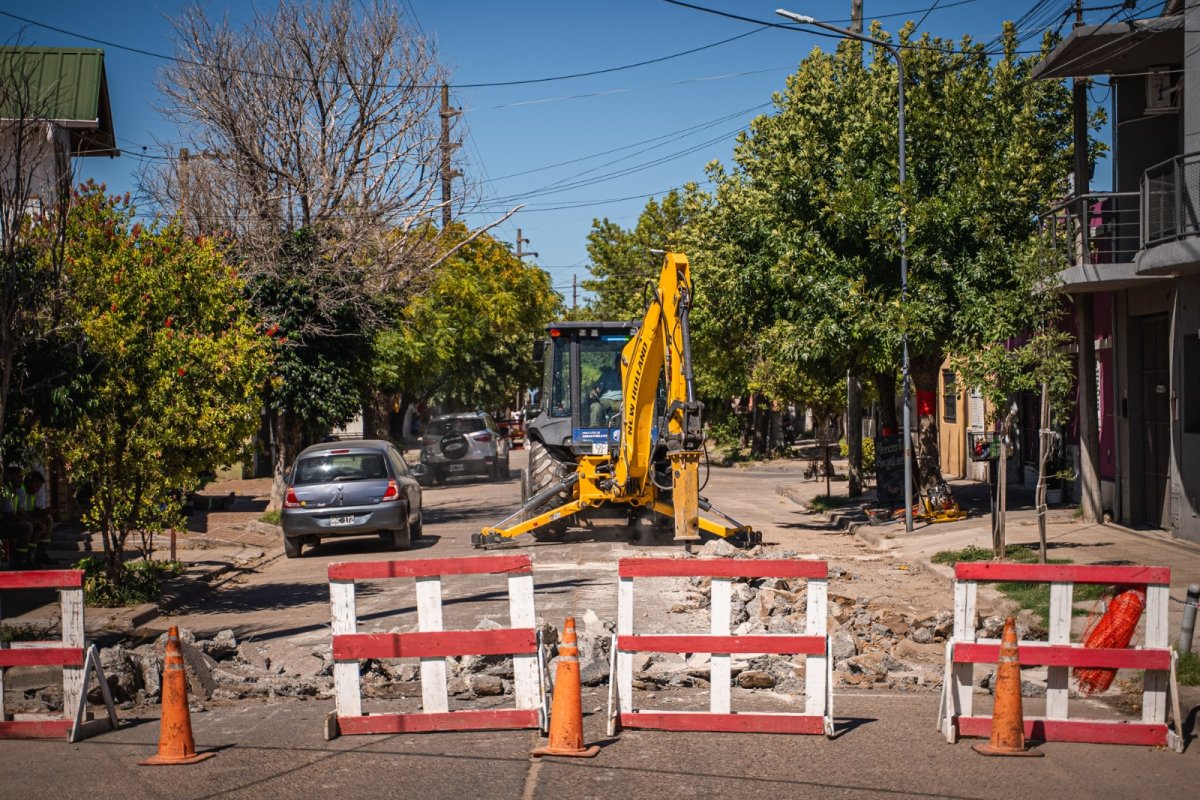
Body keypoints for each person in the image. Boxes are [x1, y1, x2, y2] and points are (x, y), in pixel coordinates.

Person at [17, 470, 56, 566]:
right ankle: (27, 557)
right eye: (37, 486)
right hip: (18, 519)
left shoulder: (32, 493)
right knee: (37, 526)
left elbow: (33, 510)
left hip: (28, 518)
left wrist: (44, 512)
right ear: (29, 482)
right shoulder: (21, 491)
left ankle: (41, 553)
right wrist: (34, 521)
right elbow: (20, 512)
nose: (38, 489)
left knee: (48, 520)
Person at [1, 465, 33, 568]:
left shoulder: (16, 491)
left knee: (32, 525)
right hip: (3, 524)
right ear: (9, 477)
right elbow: (9, 514)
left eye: (21, 477)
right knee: (27, 527)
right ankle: (19, 559)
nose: (21, 480)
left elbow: (20, 511)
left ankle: (30, 557)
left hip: (7, 522)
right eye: (18, 477)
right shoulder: (6, 490)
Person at [588, 356, 623, 426]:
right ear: (615, 364)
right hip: (606, 399)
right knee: (596, 406)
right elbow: (598, 388)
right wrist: (595, 392)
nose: (620, 366)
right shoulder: (607, 375)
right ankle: (594, 428)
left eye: (622, 364)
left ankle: (624, 429)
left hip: (621, 401)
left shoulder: (629, 375)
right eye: (619, 364)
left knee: (627, 408)